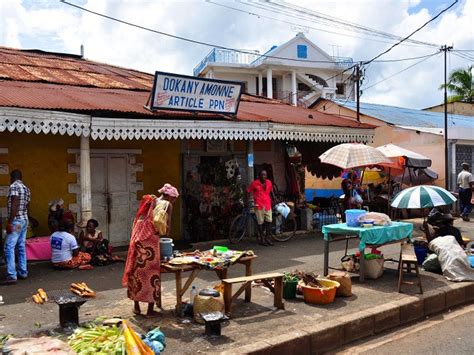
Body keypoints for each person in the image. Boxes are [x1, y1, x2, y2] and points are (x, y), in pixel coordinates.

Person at [122, 183, 179, 317]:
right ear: (171, 197)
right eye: (174, 199)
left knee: (136, 272)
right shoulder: (167, 205)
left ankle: (136, 307)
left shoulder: (150, 201)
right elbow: (167, 228)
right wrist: (163, 233)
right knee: (152, 275)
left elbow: (140, 219)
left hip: (138, 241)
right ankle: (149, 310)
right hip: (151, 245)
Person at [2, 170, 31, 285]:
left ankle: (11, 274)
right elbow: (28, 205)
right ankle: (23, 272)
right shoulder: (26, 188)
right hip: (23, 220)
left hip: (17, 221)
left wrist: (10, 222)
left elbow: (15, 203)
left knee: (9, 247)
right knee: (20, 245)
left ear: (12, 177)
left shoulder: (14, 186)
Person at [247, 170, 274, 246]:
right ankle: (262, 239)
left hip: (267, 204)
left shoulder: (269, 182)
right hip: (259, 205)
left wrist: (275, 198)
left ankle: (267, 238)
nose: (263, 176)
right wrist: (248, 201)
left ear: (266, 176)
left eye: (265, 175)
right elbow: (248, 191)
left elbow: (271, 191)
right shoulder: (255, 183)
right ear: (259, 176)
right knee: (260, 222)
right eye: (262, 175)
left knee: (269, 220)